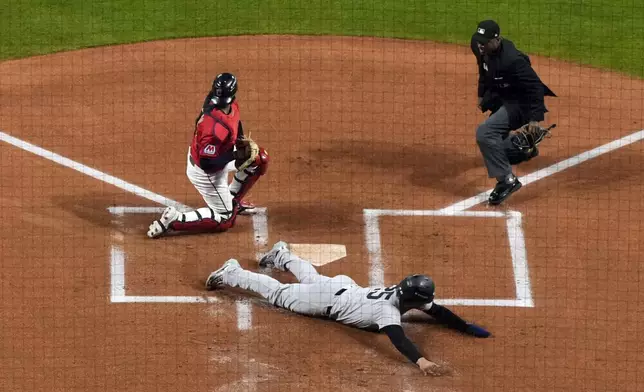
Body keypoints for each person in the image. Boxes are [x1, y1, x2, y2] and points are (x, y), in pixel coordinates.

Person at [205, 241, 492, 376]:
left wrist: (466, 327)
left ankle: (282, 255)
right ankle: (232, 273)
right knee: (279, 293)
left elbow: (438, 312)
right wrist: (422, 361)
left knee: (313, 278)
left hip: (341, 287)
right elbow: (400, 340)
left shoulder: (400, 293)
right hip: (324, 301)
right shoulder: (387, 313)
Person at [147, 73, 269, 238]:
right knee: (226, 219)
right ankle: (176, 220)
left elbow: (236, 122)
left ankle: (232, 202)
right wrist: (235, 155)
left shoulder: (227, 104)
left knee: (258, 159)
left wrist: (241, 142)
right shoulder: (214, 128)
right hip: (205, 172)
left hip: (218, 157)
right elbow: (207, 164)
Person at [471, 20, 557, 205]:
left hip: (521, 102)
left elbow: (535, 87)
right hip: (502, 95)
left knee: (485, 133)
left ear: (497, 40)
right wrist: (481, 94)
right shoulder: (479, 46)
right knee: (495, 144)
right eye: (479, 40)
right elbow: (482, 67)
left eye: (485, 42)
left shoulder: (513, 60)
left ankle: (507, 181)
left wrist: (535, 120)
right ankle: (518, 148)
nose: (480, 45)